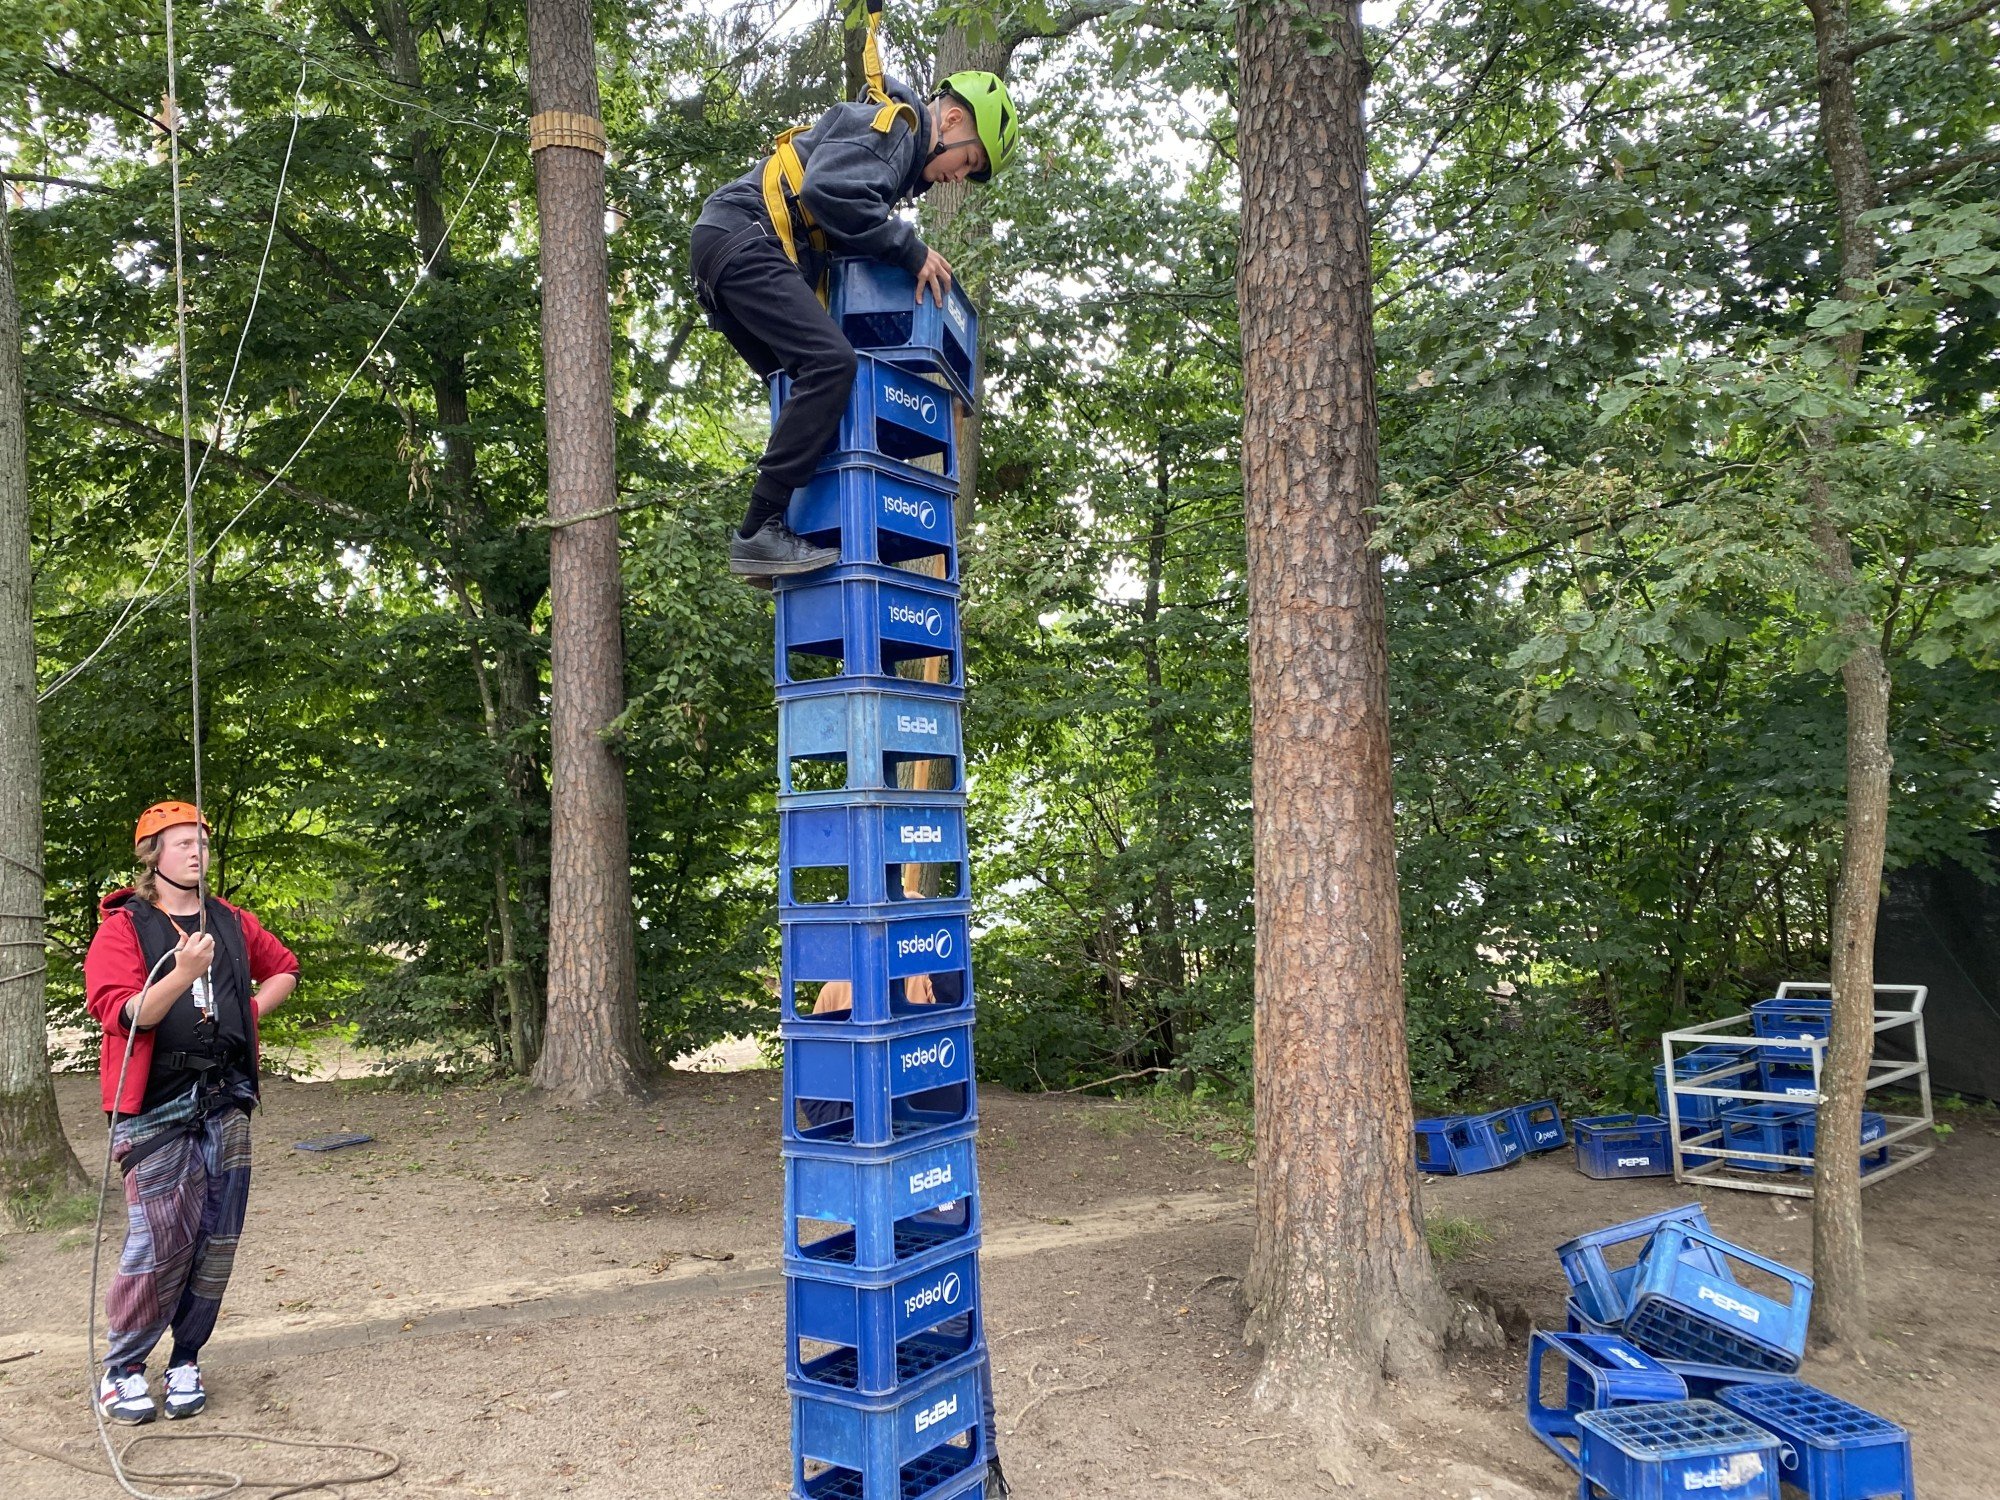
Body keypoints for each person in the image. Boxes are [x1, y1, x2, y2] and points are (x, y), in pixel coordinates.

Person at [690, 66, 1018, 580]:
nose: (959, 177)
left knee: (812, 393)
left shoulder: (890, 151)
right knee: (830, 366)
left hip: (725, 244)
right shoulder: (897, 128)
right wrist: (911, 251)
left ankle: (793, 532)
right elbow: (828, 192)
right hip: (744, 237)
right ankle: (759, 531)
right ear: (953, 120)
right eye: (968, 160)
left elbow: (844, 224)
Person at [82, 802, 300, 1425]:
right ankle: (124, 1367)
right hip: (155, 1106)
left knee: (215, 1237)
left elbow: (284, 968)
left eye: (201, 842)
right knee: (158, 1239)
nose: (196, 852)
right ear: (153, 855)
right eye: (182, 843)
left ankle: (186, 1357)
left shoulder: (230, 920)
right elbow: (125, 1014)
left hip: (225, 1097)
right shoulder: (124, 928)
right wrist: (183, 974)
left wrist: (245, 1015)